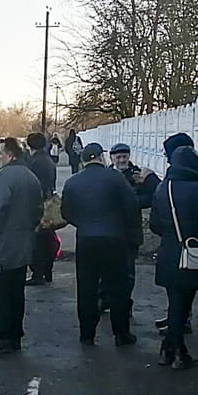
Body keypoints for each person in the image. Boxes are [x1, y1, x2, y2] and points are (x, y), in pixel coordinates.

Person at [60, 142, 142, 346]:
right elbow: (132, 208)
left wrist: (84, 223)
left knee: (86, 287)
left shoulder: (72, 182)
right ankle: (121, 334)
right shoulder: (116, 178)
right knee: (117, 287)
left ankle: (87, 334)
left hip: (86, 240)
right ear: (101, 157)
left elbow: (66, 213)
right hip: (114, 239)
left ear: (84, 160)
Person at [0, 137, 44, 354]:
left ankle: (1, 336)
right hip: (22, 245)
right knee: (16, 293)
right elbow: (38, 211)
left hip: (1, 247)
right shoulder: (30, 177)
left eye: (1, 152)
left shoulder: (3, 177)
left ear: (10, 154)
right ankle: (14, 336)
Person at [150, 145, 198, 370]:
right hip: (190, 253)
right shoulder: (196, 188)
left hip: (168, 252)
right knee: (182, 305)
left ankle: (169, 350)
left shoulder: (162, 188)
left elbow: (154, 224)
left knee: (175, 303)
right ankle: (177, 352)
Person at [107, 143, 160, 313]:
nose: (122, 160)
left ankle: (125, 304)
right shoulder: (106, 175)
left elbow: (154, 196)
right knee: (106, 268)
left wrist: (132, 202)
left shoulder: (138, 175)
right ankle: (104, 299)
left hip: (130, 230)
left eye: (125, 156)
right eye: (118, 157)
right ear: (112, 158)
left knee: (128, 270)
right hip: (109, 230)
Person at [155, 132, 197, 335]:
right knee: (182, 288)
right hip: (190, 244)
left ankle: (180, 321)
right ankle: (177, 317)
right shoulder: (194, 177)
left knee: (181, 288)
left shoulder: (180, 180)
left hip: (179, 244)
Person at [24, 133, 58, 286]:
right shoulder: (48, 160)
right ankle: (47, 271)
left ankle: (38, 274)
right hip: (48, 202)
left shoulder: (33, 162)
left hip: (37, 204)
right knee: (47, 238)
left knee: (37, 241)